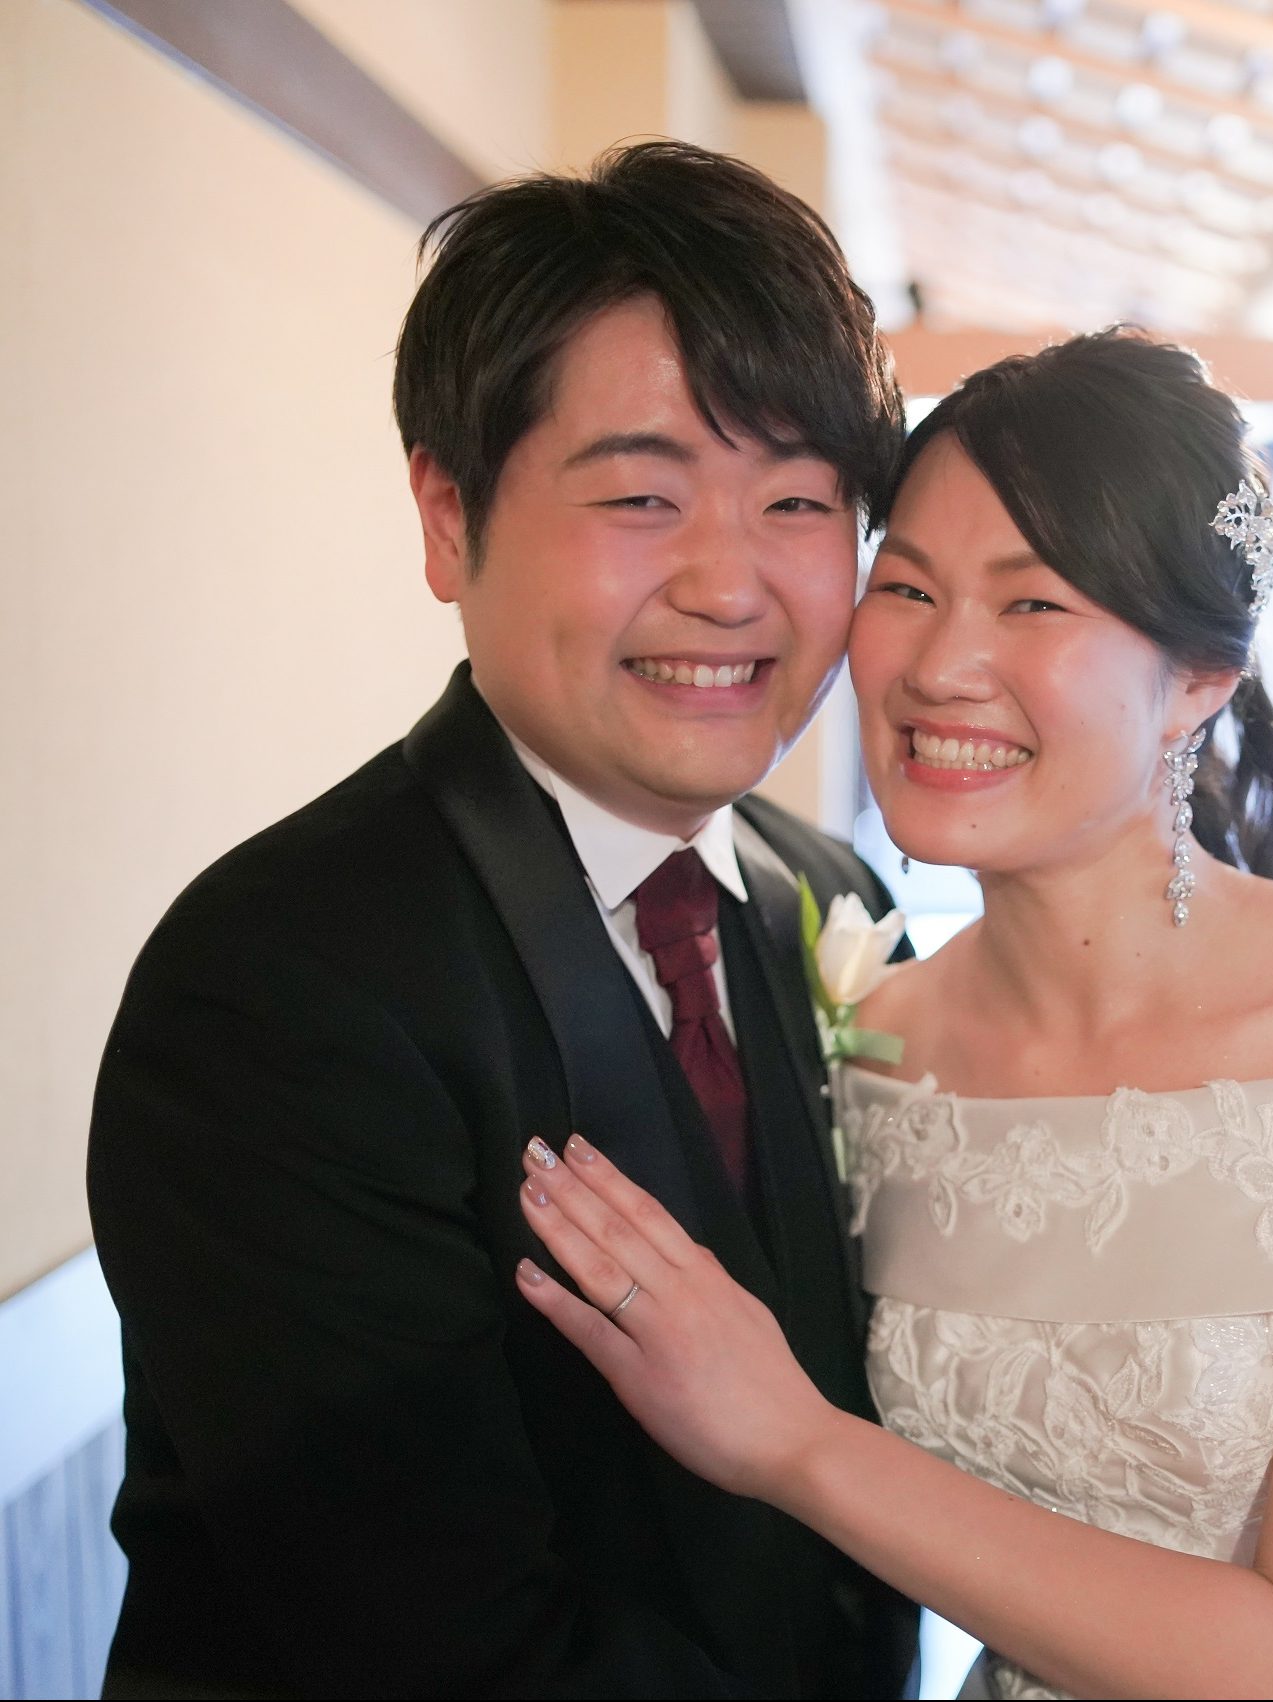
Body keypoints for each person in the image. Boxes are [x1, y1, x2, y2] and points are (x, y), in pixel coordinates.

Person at [508, 330, 1273, 1699]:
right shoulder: (876, 1039)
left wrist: (796, 1444)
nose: (942, 664)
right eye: (907, 586)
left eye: (1033, 603)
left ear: (1200, 679)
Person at [87, 143, 917, 1699]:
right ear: (447, 514)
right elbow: (445, 1643)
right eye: (642, 496)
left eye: (799, 499)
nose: (729, 583)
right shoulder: (277, 984)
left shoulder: (834, 899)